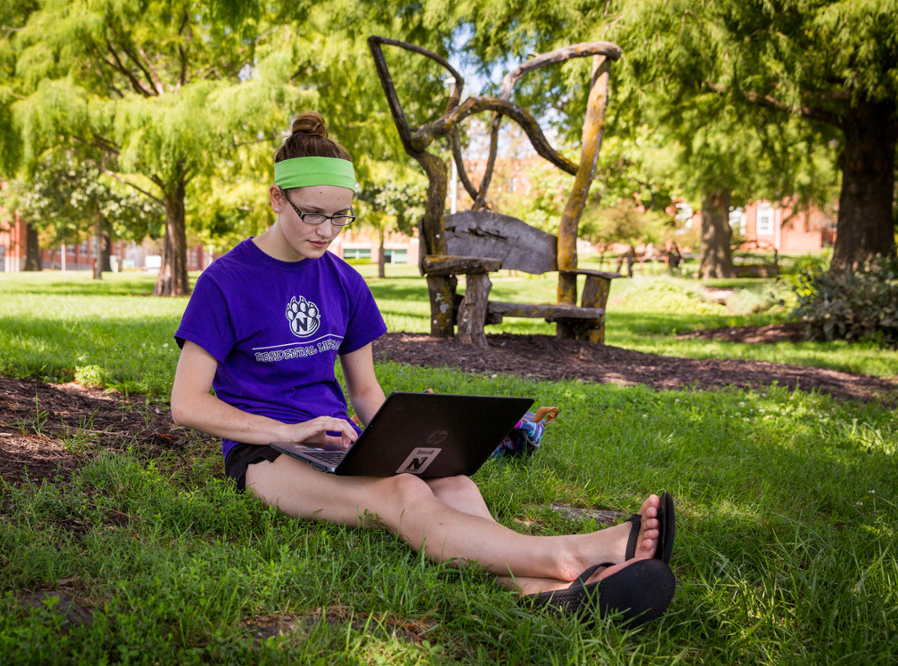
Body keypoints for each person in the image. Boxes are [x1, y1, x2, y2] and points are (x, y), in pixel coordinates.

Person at [170, 112, 676, 626]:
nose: (327, 231)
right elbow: (186, 404)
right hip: (265, 455)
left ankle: (541, 590)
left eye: (341, 217)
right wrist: (287, 429)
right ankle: (570, 557)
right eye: (313, 215)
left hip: (338, 443)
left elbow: (365, 392)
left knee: (451, 480)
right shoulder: (226, 281)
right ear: (278, 198)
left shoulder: (345, 282)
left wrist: (407, 436)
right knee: (403, 493)